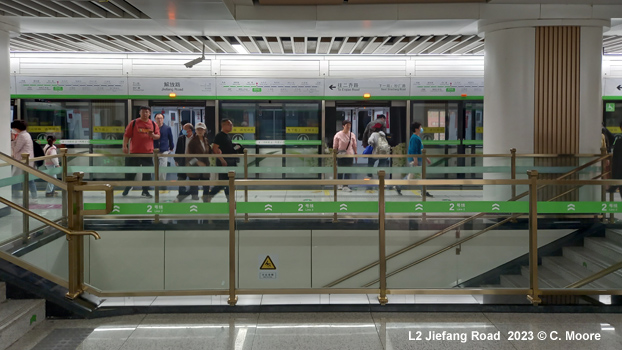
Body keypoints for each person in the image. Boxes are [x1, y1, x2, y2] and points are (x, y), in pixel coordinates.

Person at [121, 106, 160, 198]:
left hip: (148, 153)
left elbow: (158, 136)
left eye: (147, 112)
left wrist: (153, 135)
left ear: (150, 114)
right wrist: (124, 146)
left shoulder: (153, 124)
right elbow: (126, 135)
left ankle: (145, 190)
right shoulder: (134, 123)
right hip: (134, 152)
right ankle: (128, 187)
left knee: (147, 173)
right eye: (143, 112)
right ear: (140, 113)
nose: (145, 114)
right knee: (131, 172)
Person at [205, 119, 237, 202]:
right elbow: (215, 149)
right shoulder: (220, 136)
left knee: (228, 182)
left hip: (229, 162)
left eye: (231, 125)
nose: (231, 126)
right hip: (224, 163)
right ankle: (210, 195)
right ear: (223, 126)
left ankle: (229, 200)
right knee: (224, 182)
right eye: (229, 124)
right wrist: (222, 160)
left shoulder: (227, 135)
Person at [10, 120, 38, 199]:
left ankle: (15, 196)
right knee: (29, 180)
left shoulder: (22, 136)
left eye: (14, 128)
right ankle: (34, 196)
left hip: (22, 161)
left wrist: (12, 140)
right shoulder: (26, 134)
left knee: (16, 179)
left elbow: (16, 149)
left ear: (17, 128)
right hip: (27, 160)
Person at [187, 122, 212, 202]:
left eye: (202, 129)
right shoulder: (192, 142)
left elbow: (209, 152)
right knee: (194, 183)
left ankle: (206, 197)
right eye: (198, 129)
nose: (200, 131)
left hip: (205, 166)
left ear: (205, 130)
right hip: (195, 166)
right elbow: (189, 155)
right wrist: (198, 162)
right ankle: (194, 198)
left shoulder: (206, 140)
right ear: (195, 131)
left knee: (206, 182)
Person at [406, 122, 433, 198]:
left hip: (419, 159)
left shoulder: (417, 137)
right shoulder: (414, 138)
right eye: (420, 127)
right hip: (415, 160)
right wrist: (415, 159)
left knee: (412, 175)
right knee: (419, 176)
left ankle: (399, 186)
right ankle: (423, 191)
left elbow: (420, 149)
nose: (421, 129)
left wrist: (426, 158)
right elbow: (414, 150)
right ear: (416, 129)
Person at [333, 119, 358, 192]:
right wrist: (334, 154)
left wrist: (356, 153)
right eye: (347, 125)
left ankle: (346, 185)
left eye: (349, 125)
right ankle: (339, 184)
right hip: (341, 155)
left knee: (348, 170)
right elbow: (335, 146)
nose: (348, 127)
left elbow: (354, 145)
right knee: (340, 170)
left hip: (349, 155)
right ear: (343, 126)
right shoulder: (338, 135)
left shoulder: (352, 135)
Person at [174, 123, 195, 202]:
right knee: (181, 178)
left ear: (189, 130)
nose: (183, 131)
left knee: (193, 178)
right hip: (182, 160)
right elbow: (178, 150)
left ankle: (194, 195)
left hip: (193, 161)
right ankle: (181, 193)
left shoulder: (196, 139)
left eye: (184, 129)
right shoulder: (181, 138)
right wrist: (176, 160)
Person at [154, 113, 174, 185]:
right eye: (158, 118)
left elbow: (170, 138)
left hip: (164, 149)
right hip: (154, 149)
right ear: (155, 119)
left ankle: (162, 182)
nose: (159, 120)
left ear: (163, 119)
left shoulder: (167, 128)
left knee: (163, 166)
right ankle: (156, 180)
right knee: (155, 166)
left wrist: (171, 147)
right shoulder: (153, 127)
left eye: (161, 118)